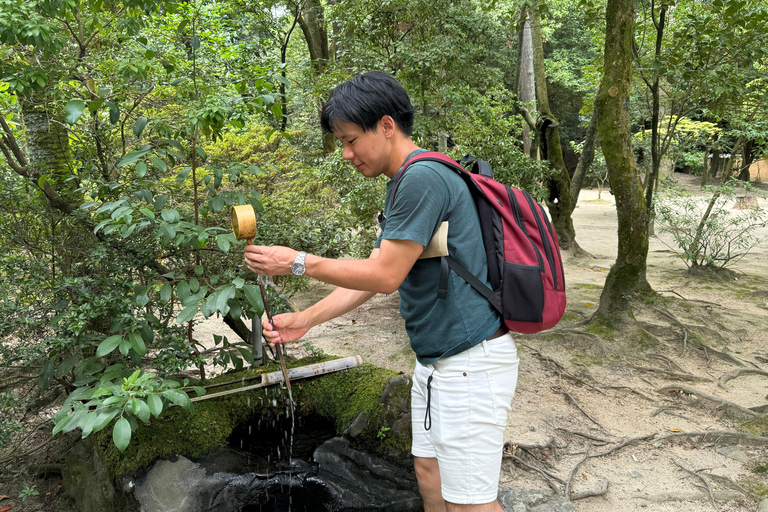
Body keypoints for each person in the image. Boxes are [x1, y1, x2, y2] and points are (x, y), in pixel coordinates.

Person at [244, 70, 519, 512]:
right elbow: (376, 273)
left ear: (387, 126)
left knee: (471, 503)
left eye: (351, 140)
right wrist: (306, 320)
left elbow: (386, 277)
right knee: (429, 474)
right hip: (438, 362)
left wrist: (297, 261)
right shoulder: (403, 182)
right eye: (342, 143)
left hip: (470, 363)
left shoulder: (422, 178)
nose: (347, 154)